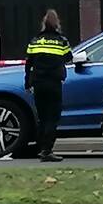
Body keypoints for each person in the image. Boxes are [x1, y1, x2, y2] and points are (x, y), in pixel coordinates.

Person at [24, 9, 73, 163]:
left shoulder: (35, 41)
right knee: (53, 117)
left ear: (43, 24)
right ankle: (47, 151)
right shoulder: (62, 41)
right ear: (57, 24)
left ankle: (41, 148)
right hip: (54, 83)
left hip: (38, 83)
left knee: (42, 117)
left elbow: (28, 63)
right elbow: (69, 58)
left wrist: (27, 81)